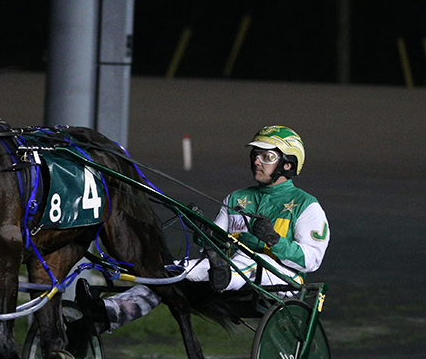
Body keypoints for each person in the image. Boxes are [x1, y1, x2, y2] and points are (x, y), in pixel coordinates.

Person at [73, 125, 330, 334]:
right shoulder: (237, 198)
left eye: (267, 157)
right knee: (171, 272)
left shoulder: (307, 206)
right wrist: (203, 233)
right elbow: (216, 241)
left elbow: (312, 260)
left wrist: (274, 240)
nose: (257, 162)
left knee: (252, 260)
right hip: (232, 268)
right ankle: (107, 310)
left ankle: (225, 275)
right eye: (255, 155)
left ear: (288, 164)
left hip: (282, 278)